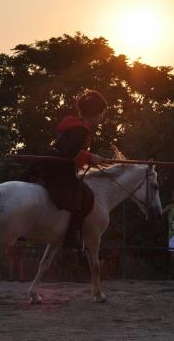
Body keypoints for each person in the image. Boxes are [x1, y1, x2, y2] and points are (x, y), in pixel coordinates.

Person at [26, 90, 107, 249]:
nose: (102, 117)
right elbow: (70, 152)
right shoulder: (81, 130)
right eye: (102, 113)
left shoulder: (74, 125)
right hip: (59, 170)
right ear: (95, 114)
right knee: (85, 194)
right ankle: (71, 235)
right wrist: (90, 157)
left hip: (50, 165)